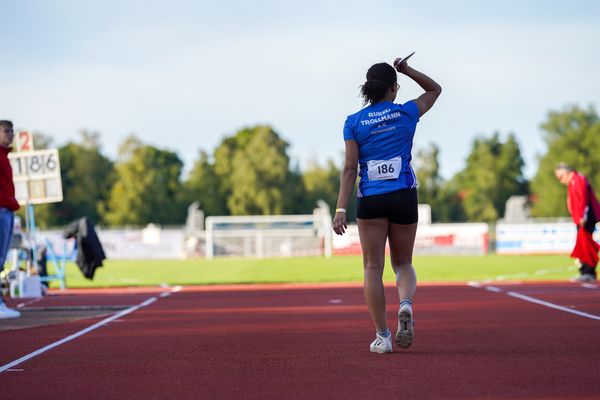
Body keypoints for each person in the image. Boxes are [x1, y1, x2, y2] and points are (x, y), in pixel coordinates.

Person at [333, 56, 441, 353]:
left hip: (371, 199)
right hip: (403, 194)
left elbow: (349, 168)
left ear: (368, 89)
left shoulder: (353, 122)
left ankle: (382, 336)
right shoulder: (406, 113)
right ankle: (405, 305)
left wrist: (341, 208)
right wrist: (407, 70)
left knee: (372, 267)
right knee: (403, 263)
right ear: (393, 88)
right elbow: (434, 90)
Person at [554, 163, 600, 283]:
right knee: (583, 245)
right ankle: (586, 272)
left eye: (560, 177)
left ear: (566, 173)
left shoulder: (578, 179)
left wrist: (582, 216)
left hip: (585, 218)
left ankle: (588, 272)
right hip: (580, 218)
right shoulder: (573, 182)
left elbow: (583, 198)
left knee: (585, 245)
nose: (560, 181)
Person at [0, 120, 21, 318]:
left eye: (12, 131)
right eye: (6, 131)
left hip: (6, 209)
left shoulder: (5, 157)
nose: (11, 134)